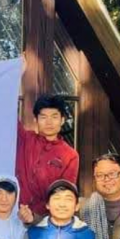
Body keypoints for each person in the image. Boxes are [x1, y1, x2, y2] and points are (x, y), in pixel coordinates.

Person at [15, 94, 79, 223]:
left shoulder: (70, 155)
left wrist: (34, 215)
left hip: (43, 220)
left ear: (62, 120)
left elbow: (62, 193)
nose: (49, 122)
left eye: (54, 117)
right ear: (35, 120)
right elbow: (6, 113)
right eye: (43, 117)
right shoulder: (25, 139)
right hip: (11, 213)